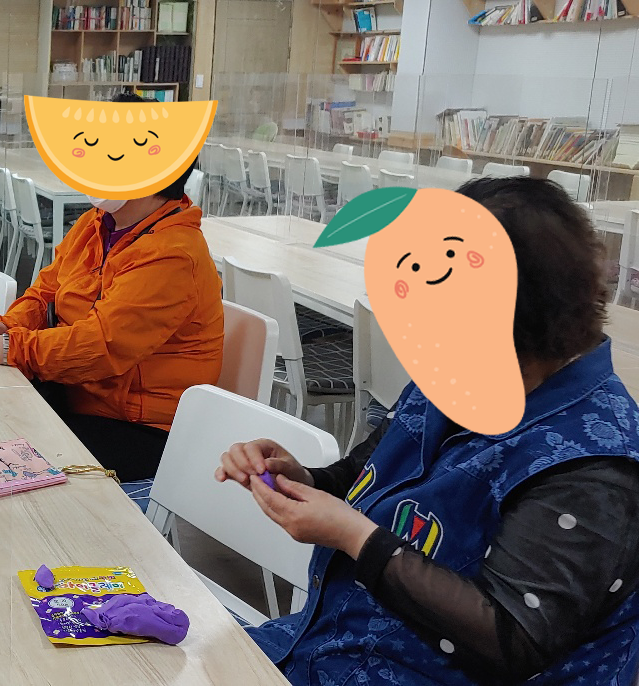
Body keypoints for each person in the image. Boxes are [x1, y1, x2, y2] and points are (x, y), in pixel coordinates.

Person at [218, 177, 639, 684]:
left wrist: (353, 535)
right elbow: (368, 471)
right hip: (328, 649)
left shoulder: (594, 465)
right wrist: (303, 479)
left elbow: (512, 640)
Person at [0, 94, 223, 483]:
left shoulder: (173, 254)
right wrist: (6, 327)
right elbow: (45, 292)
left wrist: (5, 349)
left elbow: (101, 346)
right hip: (81, 393)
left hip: (142, 429)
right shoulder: (99, 223)